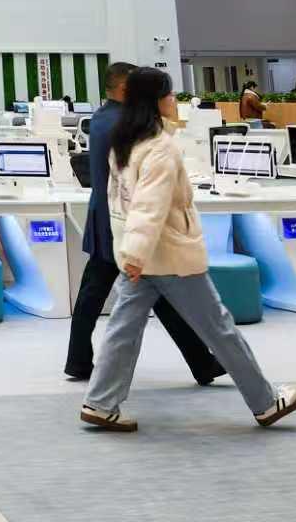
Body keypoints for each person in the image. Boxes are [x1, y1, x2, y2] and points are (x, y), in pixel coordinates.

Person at [80, 67, 296, 433]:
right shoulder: (160, 148)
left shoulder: (126, 141)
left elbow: (120, 201)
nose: (174, 100)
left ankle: (101, 403)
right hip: (170, 255)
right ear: (154, 101)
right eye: (169, 94)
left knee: (122, 328)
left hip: (141, 257)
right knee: (220, 329)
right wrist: (135, 254)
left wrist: (131, 253)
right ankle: (266, 403)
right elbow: (149, 206)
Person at [66, 62, 223, 385]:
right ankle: (202, 363)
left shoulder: (103, 118)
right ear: (126, 89)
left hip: (109, 220)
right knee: (149, 297)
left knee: (97, 296)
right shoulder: (124, 124)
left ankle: (79, 361)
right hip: (123, 223)